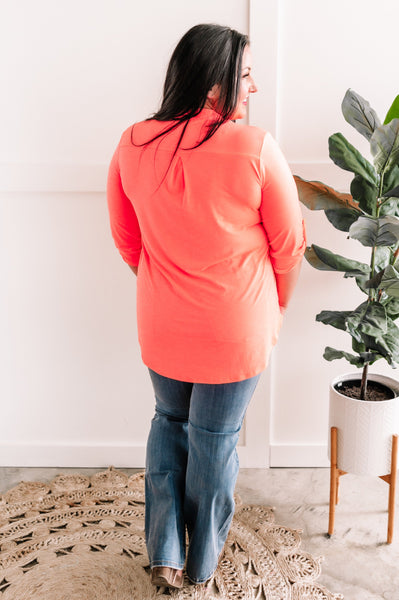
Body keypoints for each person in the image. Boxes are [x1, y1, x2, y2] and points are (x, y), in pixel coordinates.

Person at [107, 23, 305, 589]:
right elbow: (288, 246)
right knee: (213, 439)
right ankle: (202, 564)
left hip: (163, 323)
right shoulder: (255, 147)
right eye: (245, 75)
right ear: (213, 86)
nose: (254, 87)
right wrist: (277, 308)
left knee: (169, 422)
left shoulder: (133, 142)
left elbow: (126, 239)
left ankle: (165, 552)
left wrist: (164, 284)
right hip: (235, 329)